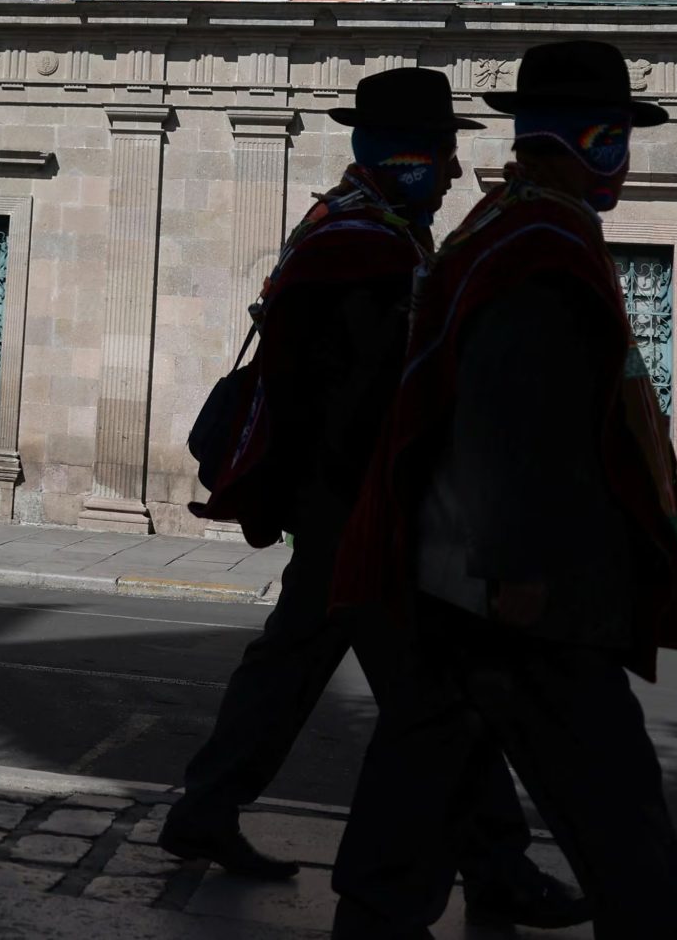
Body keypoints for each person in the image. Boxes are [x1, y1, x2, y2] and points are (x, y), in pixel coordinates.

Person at [164, 68, 582, 927]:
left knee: (293, 668)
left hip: (337, 512)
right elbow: (365, 400)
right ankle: (491, 865)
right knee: (441, 700)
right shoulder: (372, 254)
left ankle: (205, 805)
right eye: (445, 151)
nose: (458, 170)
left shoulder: (342, 225)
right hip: (367, 515)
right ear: (409, 158)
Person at [333, 41, 677, 940]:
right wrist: (518, 568)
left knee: (424, 771)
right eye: (618, 134)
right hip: (526, 597)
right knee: (616, 810)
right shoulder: (541, 249)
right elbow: (516, 415)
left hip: (453, 576)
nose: (624, 154)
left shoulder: (504, 227)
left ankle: (375, 916)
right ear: (591, 141)